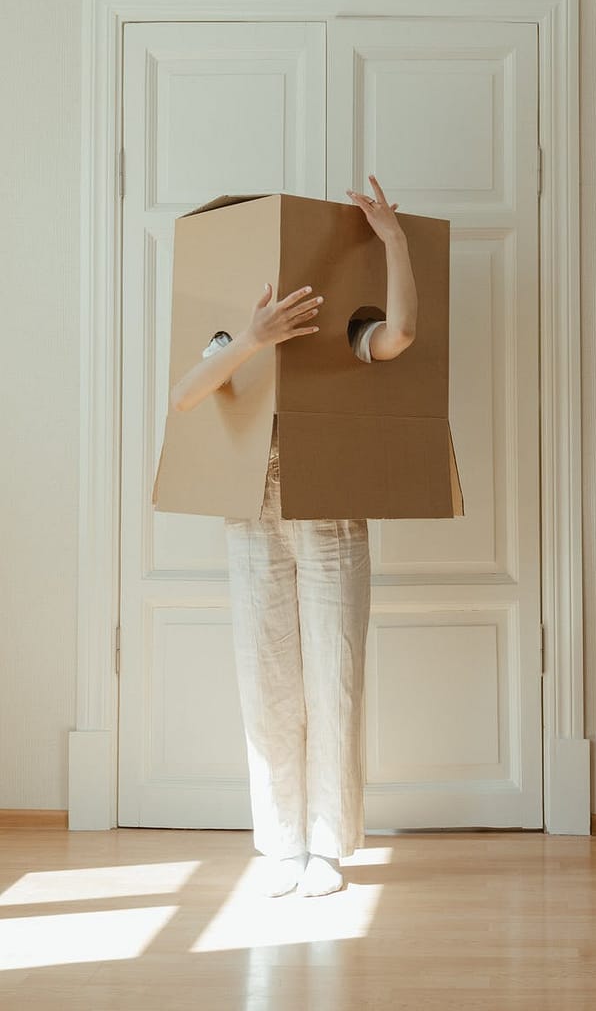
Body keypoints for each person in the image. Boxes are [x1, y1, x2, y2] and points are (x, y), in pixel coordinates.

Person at [168, 175, 416, 897]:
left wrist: (393, 239)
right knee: (267, 673)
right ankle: (281, 844)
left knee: (332, 673)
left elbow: (398, 336)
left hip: (331, 505)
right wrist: (250, 338)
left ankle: (327, 847)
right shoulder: (228, 331)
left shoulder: (335, 322)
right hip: (253, 508)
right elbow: (184, 396)